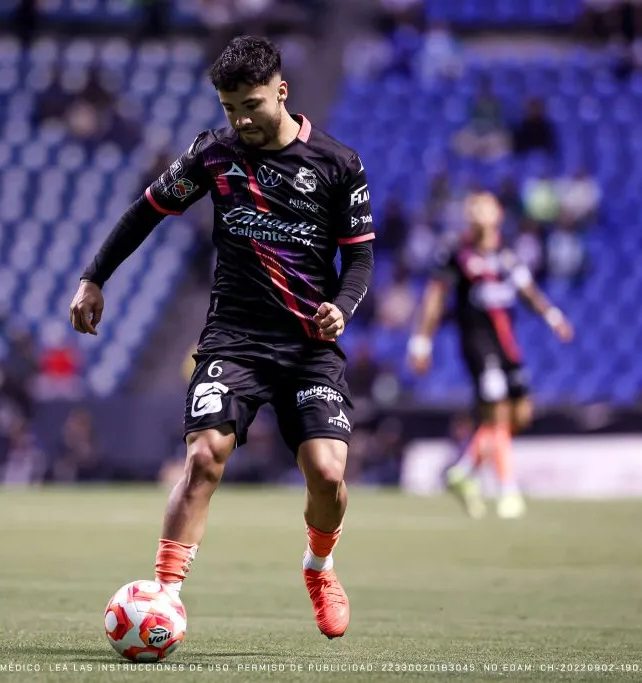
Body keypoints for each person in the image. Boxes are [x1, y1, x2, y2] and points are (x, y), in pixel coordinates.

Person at [68, 36, 374, 639]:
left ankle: (319, 567)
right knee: (205, 454)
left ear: (282, 92)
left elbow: (360, 260)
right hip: (233, 338)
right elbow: (146, 210)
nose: (241, 119)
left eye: (252, 105)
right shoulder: (214, 155)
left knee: (328, 472)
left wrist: (341, 306)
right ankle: (164, 593)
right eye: (229, 107)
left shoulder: (338, 165)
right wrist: (93, 277)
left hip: (309, 347)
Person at [407, 192, 572, 519]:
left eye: (484, 206)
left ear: (498, 213)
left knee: (520, 416)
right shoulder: (455, 253)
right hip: (478, 346)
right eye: (473, 206)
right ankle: (508, 490)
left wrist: (553, 316)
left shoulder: (506, 254)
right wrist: (421, 342)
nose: (477, 211)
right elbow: (435, 297)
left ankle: (465, 470)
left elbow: (527, 291)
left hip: (508, 346)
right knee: (496, 414)